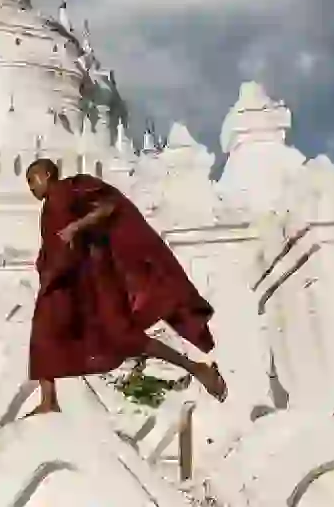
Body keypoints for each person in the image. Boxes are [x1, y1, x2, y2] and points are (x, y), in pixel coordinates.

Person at [24, 158, 228, 416]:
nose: (30, 187)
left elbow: (109, 207)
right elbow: (55, 244)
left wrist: (76, 227)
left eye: (33, 179)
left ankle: (197, 368)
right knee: (45, 332)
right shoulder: (51, 207)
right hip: (67, 280)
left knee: (123, 335)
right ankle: (48, 399)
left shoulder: (70, 189)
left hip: (92, 278)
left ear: (48, 174)